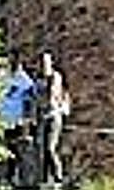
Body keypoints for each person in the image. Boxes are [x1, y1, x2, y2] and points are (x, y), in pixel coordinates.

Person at [0, 57, 37, 187]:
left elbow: (31, 94)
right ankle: (9, 177)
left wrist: (28, 118)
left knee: (19, 150)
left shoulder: (22, 80)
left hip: (17, 121)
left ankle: (22, 179)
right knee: (7, 150)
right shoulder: (3, 80)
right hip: (3, 121)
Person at [34, 52, 70, 187]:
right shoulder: (38, 79)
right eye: (42, 63)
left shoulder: (55, 76)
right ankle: (44, 179)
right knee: (42, 149)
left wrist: (42, 100)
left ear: (51, 63)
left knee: (50, 147)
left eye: (46, 62)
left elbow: (51, 96)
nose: (44, 65)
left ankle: (57, 177)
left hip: (54, 116)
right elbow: (36, 98)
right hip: (42, 117)